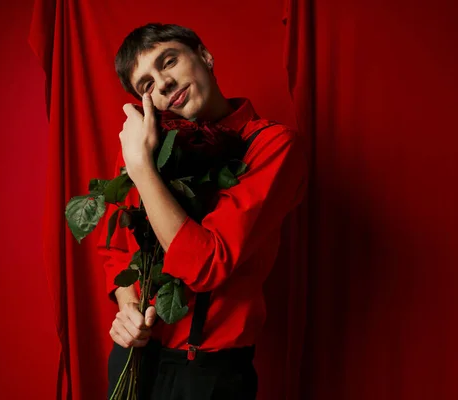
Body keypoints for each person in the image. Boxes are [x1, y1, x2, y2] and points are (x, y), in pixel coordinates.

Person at [98, 23, 307, 399]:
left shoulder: (273, 146)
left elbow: (207, 264)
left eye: (169, 61)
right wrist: (128, 310)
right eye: (145, 84)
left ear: (205, 56)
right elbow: (115, 249)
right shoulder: (142, 146)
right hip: (133, 359)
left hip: (207, 375)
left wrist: (142, 169)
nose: (161, 83)